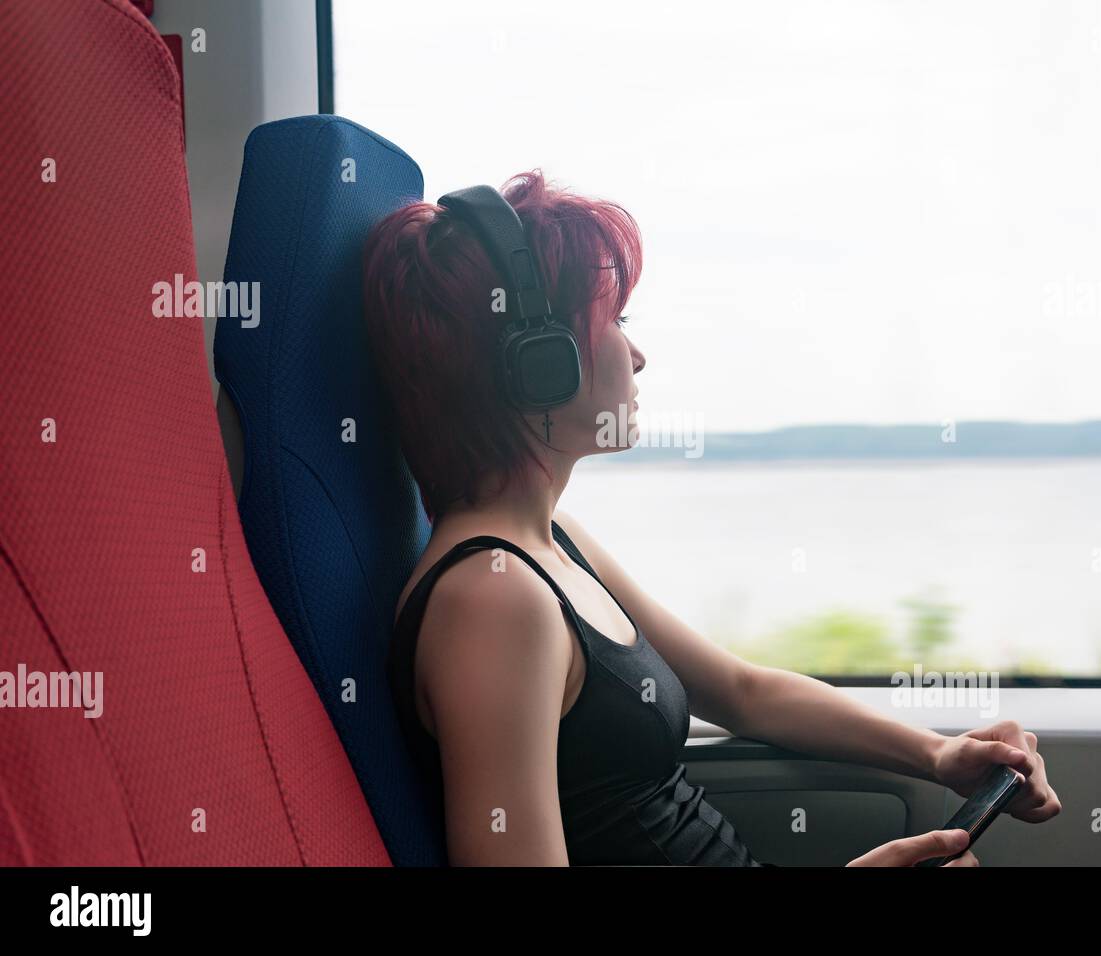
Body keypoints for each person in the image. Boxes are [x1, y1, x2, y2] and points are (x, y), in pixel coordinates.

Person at [362, 170, 1061, 866]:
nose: (639, 357)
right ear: (538, 363)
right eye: (616, 322)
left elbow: (743, 693)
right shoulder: (494, 600)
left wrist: (942, 754)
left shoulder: (554, 546)